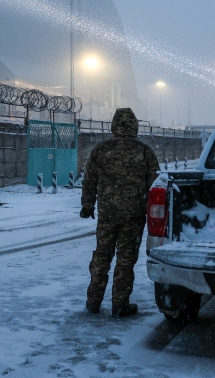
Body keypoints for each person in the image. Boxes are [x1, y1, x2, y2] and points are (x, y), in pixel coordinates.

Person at [80, 107, 160, 317]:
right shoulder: (144, 151)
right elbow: (155, 186)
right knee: (125, 260)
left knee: (102, 256)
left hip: (107, 214)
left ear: (114, 125)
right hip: (134, 215)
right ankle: (120, 304)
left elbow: (89, 180)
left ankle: (93, 300)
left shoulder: (101, 150)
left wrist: (87, 205)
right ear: (134, 125)